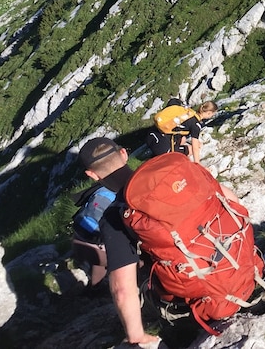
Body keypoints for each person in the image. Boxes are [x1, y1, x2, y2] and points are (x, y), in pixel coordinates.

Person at [79, 137, 162, 349]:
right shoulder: (163, 174)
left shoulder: (114, 215)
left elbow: (122, 290)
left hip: (191, 288)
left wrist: (137, 338)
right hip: (234, 262)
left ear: (92, 175)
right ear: (124, 154)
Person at [145, 98, 217, 164]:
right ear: (209, 113)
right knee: (190, 149)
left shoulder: (189, 113)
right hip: (162, 147)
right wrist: (197, 164)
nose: (211, 116)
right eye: (212, 114)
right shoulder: (196, 125)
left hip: (153, 135)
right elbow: (194, 148)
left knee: (183, 139)